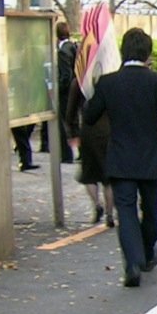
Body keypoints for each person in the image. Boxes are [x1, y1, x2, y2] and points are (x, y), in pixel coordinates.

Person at [82, 28, 157, 287]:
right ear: (148, 53)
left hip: (120, 159)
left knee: (126, 212)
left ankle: (132, 263)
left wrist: (90, 91)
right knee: (151, 212)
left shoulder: (108, 83)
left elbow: (89, 118)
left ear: (124, 51)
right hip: (151, 158)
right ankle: (146, 252)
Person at [65, 49, 114, 227]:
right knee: (108, 176)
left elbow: (70, 113)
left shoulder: (79, 82)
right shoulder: (109, 80)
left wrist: (72, 133)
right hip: (108, 131)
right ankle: (110, 214)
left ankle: (97, 205)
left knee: (89, 174)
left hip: (88, 131)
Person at [55, 21, 76, 163]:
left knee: (63, 123)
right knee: (74, 121)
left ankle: (66, 154)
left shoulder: (63, 51)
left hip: (66, 93)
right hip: (75, 90)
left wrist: (59, 88)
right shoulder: (74, 47)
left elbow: (66, 75)